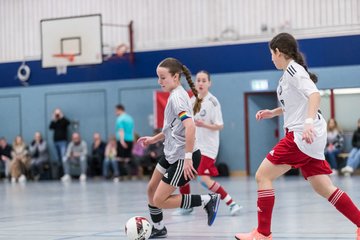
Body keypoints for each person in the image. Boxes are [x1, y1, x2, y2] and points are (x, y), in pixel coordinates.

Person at [235, 33, 360, 240]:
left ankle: (263, 233)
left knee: (262, 176)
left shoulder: (293, 69)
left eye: (271, 54)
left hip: (302, 135)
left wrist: (308, 123)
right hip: (309, 137)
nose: (271, 59)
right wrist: (273, 112)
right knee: (324, 188)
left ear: (279, 52)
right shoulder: (287, 75)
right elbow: (296, 104)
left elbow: (314, 95)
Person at [137, 58, 220, 238]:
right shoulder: (176, 94)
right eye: (158, 78)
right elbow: (173, 128)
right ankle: (159, 228)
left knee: (160, 199)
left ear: (175, 77)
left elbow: (190, 127)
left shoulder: (177, 98)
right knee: (151, 189)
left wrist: (188, 158)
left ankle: (207, 200)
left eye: (163, 77)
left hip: (183, 157)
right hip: (171, 153)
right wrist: (154, 139)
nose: (160, 82)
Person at [175, 70, 242, 216]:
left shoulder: (213, 102)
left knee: (203, 179)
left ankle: (231, 203)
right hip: (193, 147)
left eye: (204, 80)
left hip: (208, 148)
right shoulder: (191, 101)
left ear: (209, 83)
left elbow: (220, 125)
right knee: (183, 175)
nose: (200, 83)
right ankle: (186, 206)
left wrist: (203, 125)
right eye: (198, 80)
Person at [114, 104, 134, 181]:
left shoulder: (120, 119)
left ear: (120, 110)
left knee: (120, 158)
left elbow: (121, 130)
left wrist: (122, 141)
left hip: (122, 140)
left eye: (116, 111)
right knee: (127, 158)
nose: (115, 113)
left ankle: (120, 176)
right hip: (130, 139)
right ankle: (129, 175)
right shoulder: (130, 118)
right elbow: (132, 130)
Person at [49, 108, 70, 174]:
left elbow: (68, 123)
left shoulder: (63, 121)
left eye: (58, 113)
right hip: (56, 141)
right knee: (58, 158)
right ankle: (60, 173)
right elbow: (50, 127)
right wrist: (53, 119)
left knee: (64, 157)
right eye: (56, 113)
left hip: (63, 141)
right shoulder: (55, 121)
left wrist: (62, 117)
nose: (57, 115)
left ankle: (66, 173)